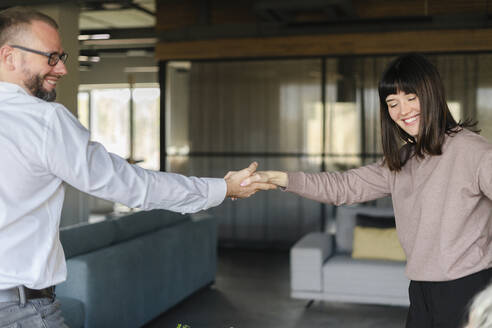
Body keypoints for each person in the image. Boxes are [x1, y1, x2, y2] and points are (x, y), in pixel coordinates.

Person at [0, 6, 275, 328]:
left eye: (63, 58)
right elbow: (131, 186)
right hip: (18, 311)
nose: (61, 69)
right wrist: (223, 188)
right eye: (51, 57)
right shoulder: (43, 120)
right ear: (9, 56)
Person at [242, 53, 492, 328]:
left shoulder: (474, 151)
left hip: (469, 288)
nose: (403, 111)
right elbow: (344, 186)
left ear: (432, 93)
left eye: (411, 98)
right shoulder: (403, 159)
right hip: (421, 289)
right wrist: (280, 178)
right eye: (392, 103)